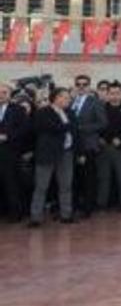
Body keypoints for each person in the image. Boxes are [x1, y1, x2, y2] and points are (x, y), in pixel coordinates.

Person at [28, 87, 76, 227]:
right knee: (41, 186)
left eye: (68, 97)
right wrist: (66, 125)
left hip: (66, 153)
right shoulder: (43, 112)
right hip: (47, 154)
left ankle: (66, 214)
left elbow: (75, 131)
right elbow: (49, 128)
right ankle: (36, 217)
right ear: (56, 97)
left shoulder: (70, 112)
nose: (68, 100)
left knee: (66, 185)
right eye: (65, 97)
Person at [70, 74, 107, 218]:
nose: (81, 87)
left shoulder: (95, 102)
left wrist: (82, 128)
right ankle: (74, 206)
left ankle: (88, 208)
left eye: (84, 84)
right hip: (72, 145)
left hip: (88, 144)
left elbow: (103, 123)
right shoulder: (71, 101)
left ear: (89, 86)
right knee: (74, 178)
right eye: (78, 84)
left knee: (88, 178)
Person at [0, 82, 30, 223]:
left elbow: (24, 129)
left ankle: (15, 213)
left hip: (10, 151)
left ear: (9, 94)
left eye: (4, 92)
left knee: (11, 182)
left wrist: (7, 136)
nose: (1, 95)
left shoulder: (17, 109)